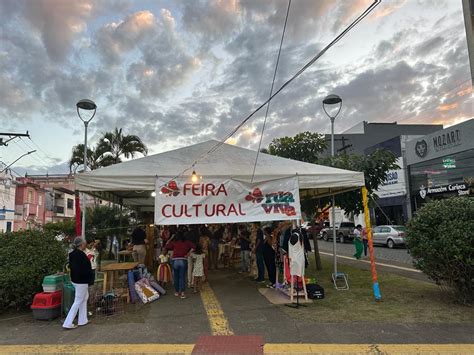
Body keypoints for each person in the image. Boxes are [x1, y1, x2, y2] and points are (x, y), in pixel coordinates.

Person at [63, 237, 93, 330]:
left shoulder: (72, 254)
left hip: (75, 279)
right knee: (78, 300)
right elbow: (85, 269)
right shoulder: (81, 255)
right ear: (81, 244)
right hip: (81, 281)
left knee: (84, 298)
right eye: (84, 243)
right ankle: (68, 322)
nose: (86, 244)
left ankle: (83, 320)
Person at [165, 230, 195, 299]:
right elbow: (194, 246)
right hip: (183, 260)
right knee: (182, 277)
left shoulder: (174, 242)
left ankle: (176, 291)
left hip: (175, 260)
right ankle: (182, 293)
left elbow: (166, 246)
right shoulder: (187, 242)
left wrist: (171, 238)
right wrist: (188, 253)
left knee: (176, 276)